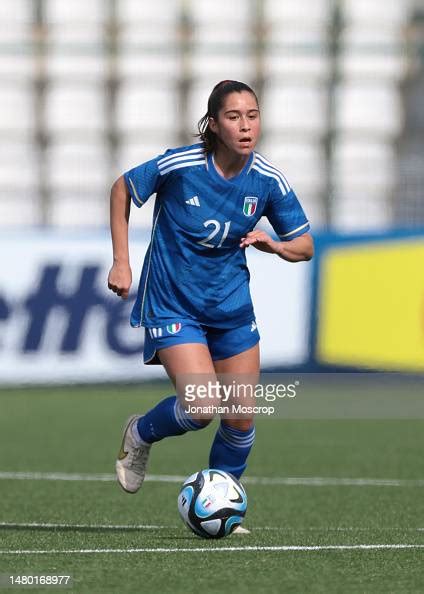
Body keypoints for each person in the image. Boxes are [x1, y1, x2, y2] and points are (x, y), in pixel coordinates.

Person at [108, 80, 313, 517]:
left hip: (232, 310)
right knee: (201, 407)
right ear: (214, 124)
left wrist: (273, 245)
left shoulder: (268, 180)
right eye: (234, 117)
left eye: (252, 116)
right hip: (173, 303)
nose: (245, 125)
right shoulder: (182, 164)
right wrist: (121, 262)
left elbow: (305, 246)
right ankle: (141, 433)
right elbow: (123, 188)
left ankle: (220, 507)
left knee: (240, 419)